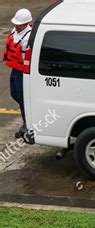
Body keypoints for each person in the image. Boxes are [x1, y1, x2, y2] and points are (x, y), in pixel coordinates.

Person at [2, 9, 32, 139]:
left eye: (19, 24)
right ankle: (28, 117)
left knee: (23, 98)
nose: (16, 26)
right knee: (15, 94)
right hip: (15, 70)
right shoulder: (15, 31)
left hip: (23, 73)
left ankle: (28, 125)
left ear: (26, 23)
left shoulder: (29, 37)